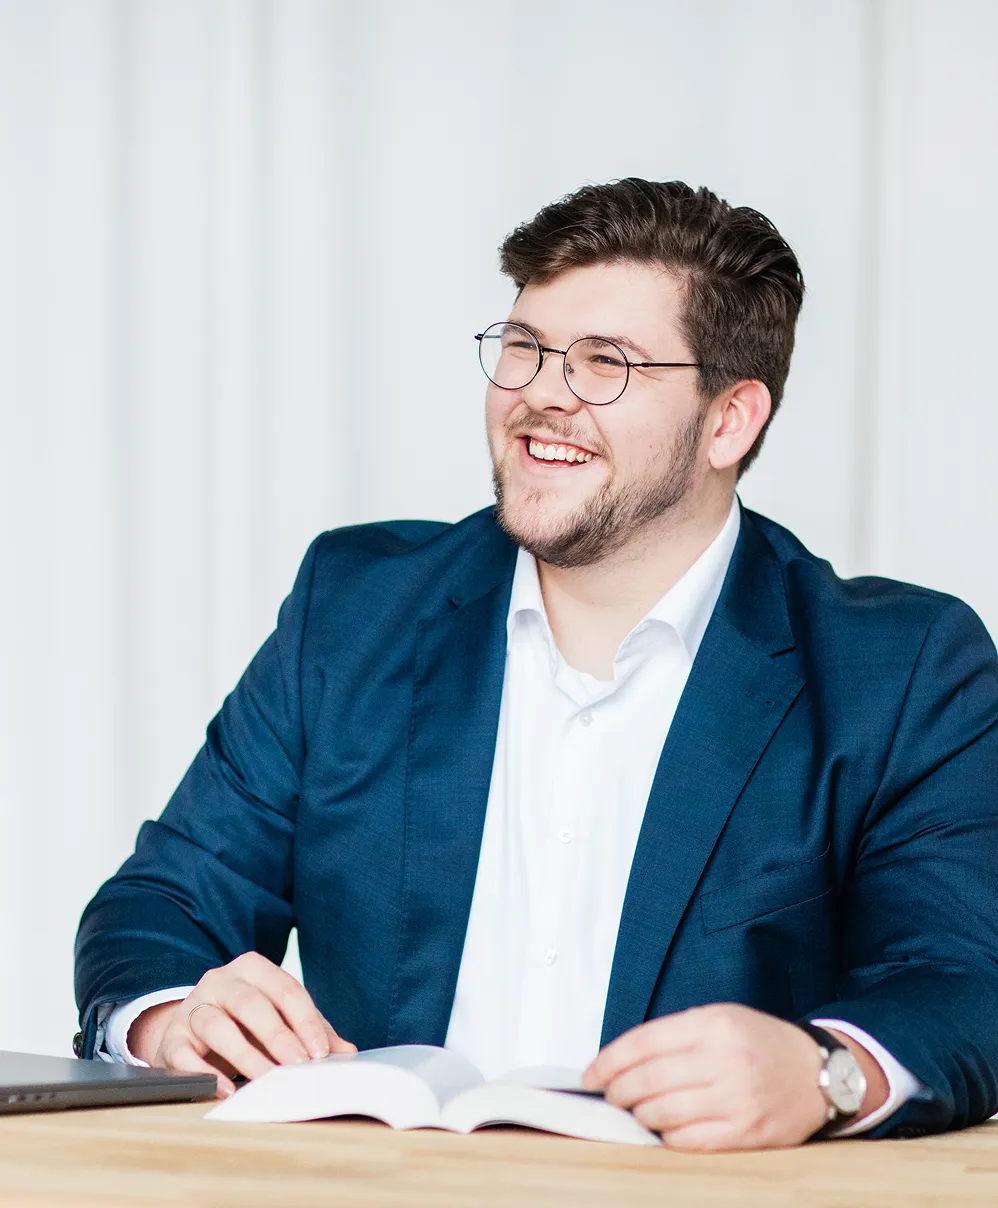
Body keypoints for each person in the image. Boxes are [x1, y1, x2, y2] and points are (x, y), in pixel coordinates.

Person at [75, 179, 998, 1150]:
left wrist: (827, 1071)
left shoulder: (898, 669)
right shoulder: (353, 608)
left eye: (605, 362)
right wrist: (172, 1015)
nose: (541, 392)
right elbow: (160, 901)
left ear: (728, 420)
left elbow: (963, 977)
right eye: (523, 346)